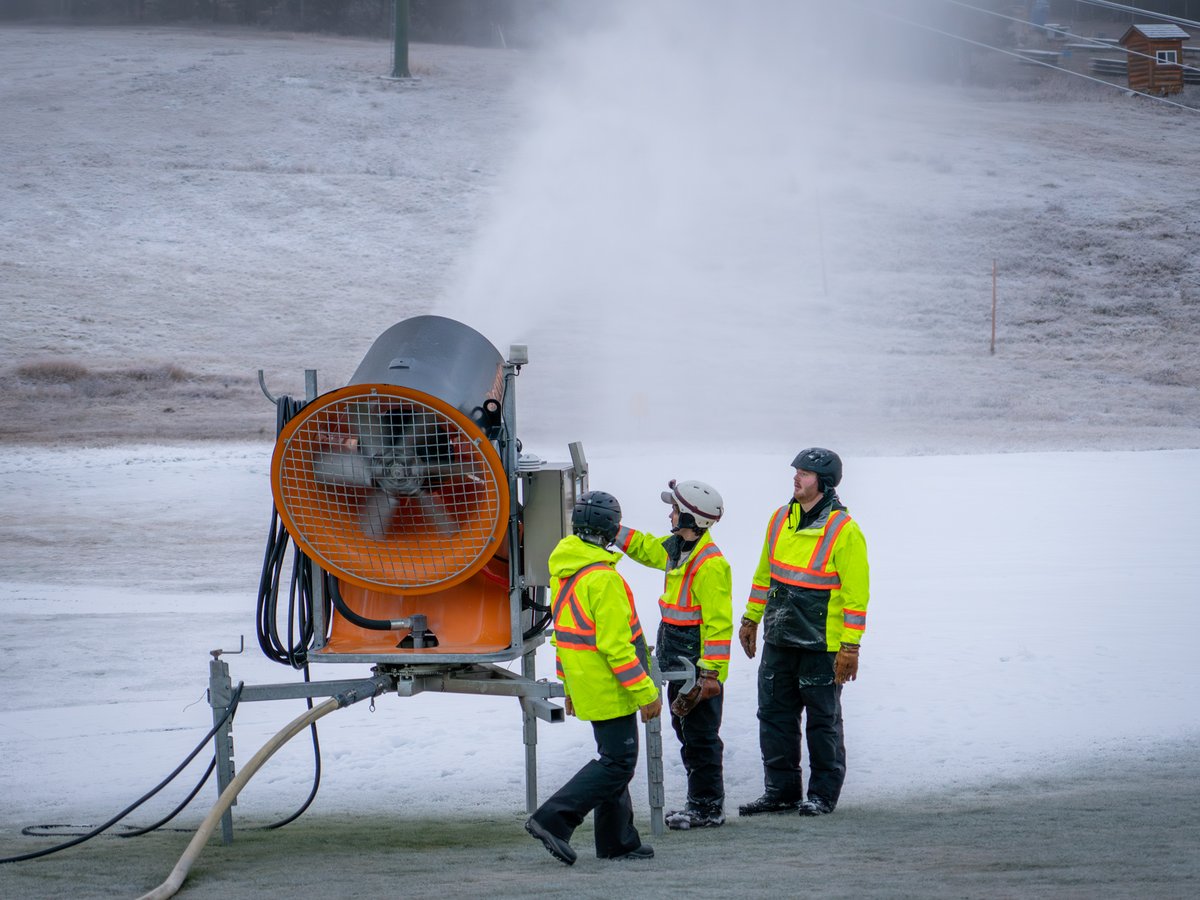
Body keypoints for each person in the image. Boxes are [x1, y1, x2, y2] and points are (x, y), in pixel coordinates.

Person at [525, 490, 662, 865]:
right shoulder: (603, 579)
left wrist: (569, 686)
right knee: (617, 762)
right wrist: (646, 692)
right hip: (610, 683)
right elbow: (617, 647)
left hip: (587, 679)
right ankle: (553, 819)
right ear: (611, 530)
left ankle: (618, 841)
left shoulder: (568, 569)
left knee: (612, 758)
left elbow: (566, 636)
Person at [737, 448, 870, 818]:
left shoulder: (844, 531)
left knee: (822, 722)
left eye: (806, 473)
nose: (796, 478)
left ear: (823, 483)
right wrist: (750, 619)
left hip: (822, 644)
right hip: (778, 639)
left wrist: (850, 648)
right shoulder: (780, 519)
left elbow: (857, 597)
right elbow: (765, 576)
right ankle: (780, 792)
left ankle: (823, 794)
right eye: (796, 471)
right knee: (774, 716)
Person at [615, 479, 733, 829]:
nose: (670, 514)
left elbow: (718, 624)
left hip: (695, 670)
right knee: (687, 734)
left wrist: (709, 676)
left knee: (700, 739)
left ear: (692, 520)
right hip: (679, 663)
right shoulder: (678, 549)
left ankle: (708, 808)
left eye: (675, 510)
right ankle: (700, 803)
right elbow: (644, 547)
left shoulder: (710, 565)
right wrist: (614, 531)